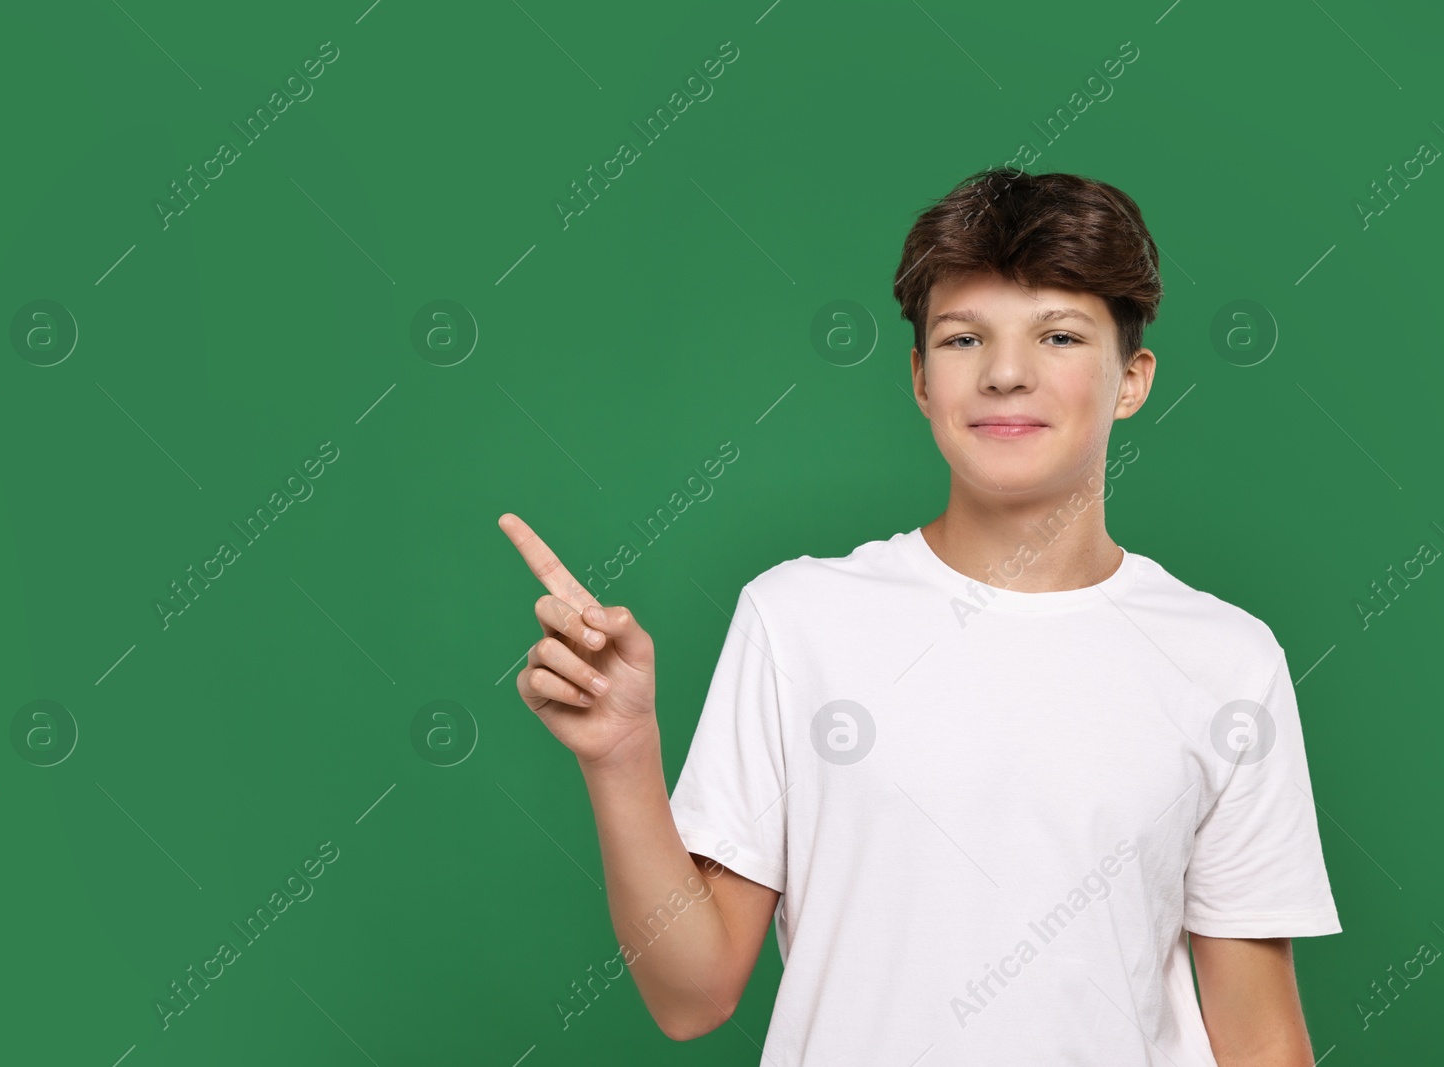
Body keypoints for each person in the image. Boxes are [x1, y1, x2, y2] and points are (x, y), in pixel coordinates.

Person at [498, 167, 1340, 1065]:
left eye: (1057, 335)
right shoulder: (798, 620)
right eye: (963, 337)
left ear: (1131, 379)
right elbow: (691, 994)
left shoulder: (1226, 659)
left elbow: (1260, 1037)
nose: (1006, 374)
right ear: (920, 379)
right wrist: (623, 758)